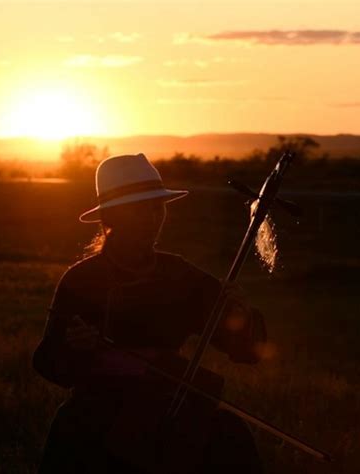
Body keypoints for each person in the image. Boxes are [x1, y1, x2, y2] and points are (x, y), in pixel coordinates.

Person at [32, 153, 266, 473]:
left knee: (230, 437)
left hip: (172, 405)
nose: (153, 218)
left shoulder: (180, 275)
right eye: (140, 209)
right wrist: (74, 347)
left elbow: (245, 348)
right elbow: (48, 363)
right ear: (112, 217)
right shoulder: (81, 280)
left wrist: (239, 317)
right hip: (100, 410)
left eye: (158, 207)